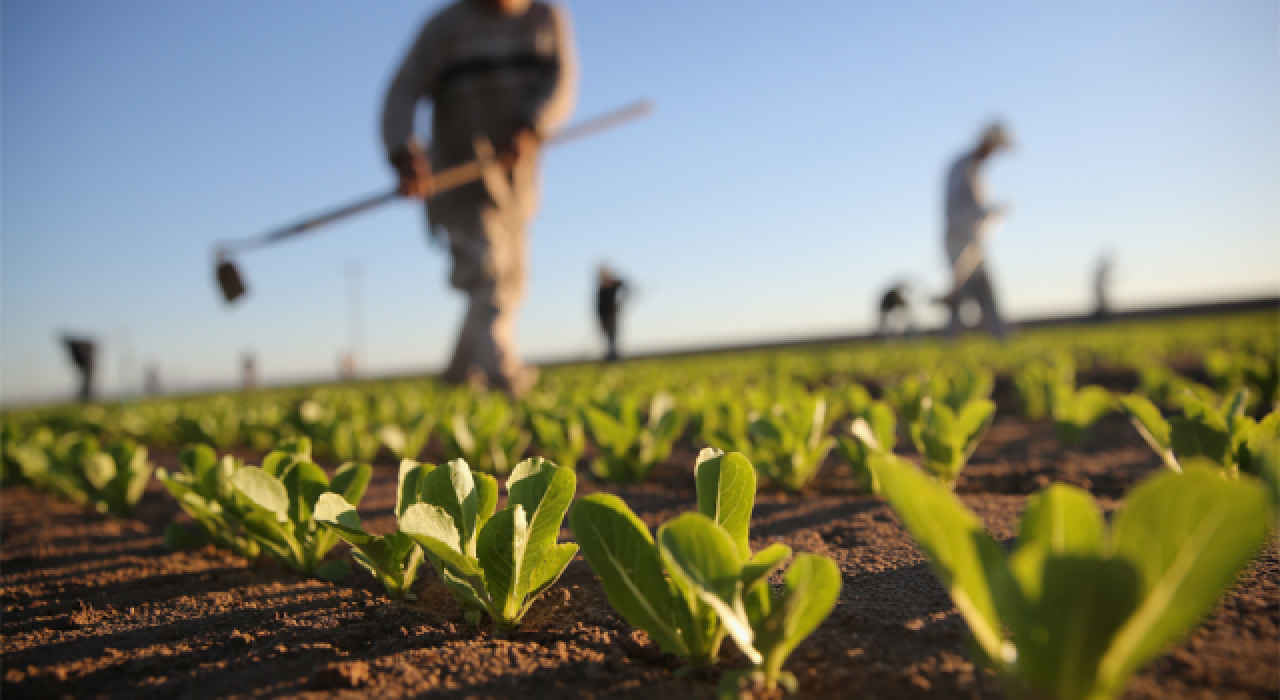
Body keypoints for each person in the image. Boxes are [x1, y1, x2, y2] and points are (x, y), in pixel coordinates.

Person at [381, 0, 578, 396]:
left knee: (512, 280)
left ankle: (457, 376)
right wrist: (404, 152)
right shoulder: (443, 28)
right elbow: (402, 92)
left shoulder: (547, 20)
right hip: (458, 179)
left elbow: (561, 84)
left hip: (515, 186)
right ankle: (503, 375)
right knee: (490, 273)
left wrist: (530, 123)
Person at [940, 122, 1013, 338]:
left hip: (972, 240)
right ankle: (951, 339)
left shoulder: (973, 168)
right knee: (963, 291)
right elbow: (960, 208)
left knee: (983, 290)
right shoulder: (964, 167)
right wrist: (991, 211)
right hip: (960, 240)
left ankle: (1000, 337)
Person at [596, 265, 630, 361]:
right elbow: (599, 306)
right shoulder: (601, 289)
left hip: (612, 316)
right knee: (608, 338)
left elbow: (627, 289)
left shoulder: (615, 283)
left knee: (613, 337)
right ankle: (610, 356)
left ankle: (613, 357)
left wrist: (620, 303)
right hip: (603, 317)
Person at [61, 335, 96, 401]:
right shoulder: (76, 345)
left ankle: (86, 397)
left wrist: (87, 362)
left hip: (88, 365)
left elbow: (82, 356)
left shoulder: (75, 346)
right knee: (86, 382)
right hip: (86, 365)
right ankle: (85, 397)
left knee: (87, 382)